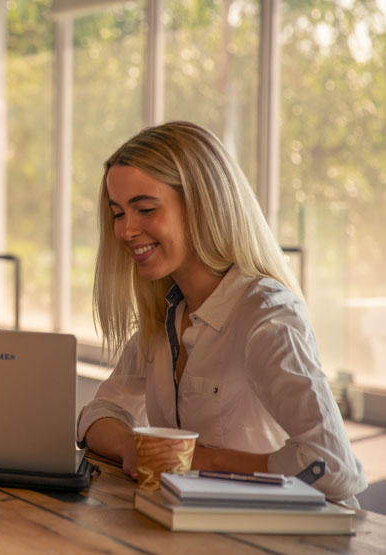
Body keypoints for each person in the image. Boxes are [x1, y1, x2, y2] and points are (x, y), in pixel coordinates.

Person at [77, 121, 366, 503]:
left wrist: (197, 460)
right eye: (118, 213)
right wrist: (135, 449)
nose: (126, 230)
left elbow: (334, 467)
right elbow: (99, 413)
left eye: (145, 209)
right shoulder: (169, 315)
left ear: (202, 205)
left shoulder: (267, 317)